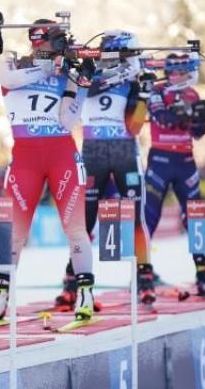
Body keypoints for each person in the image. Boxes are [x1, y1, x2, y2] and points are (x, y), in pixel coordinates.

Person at [0, 19, 97, 323]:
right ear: (39, 41)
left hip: (61, 153)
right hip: (26, 156)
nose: (61, 47)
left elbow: (67, 121)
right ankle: (1, 293)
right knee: (14, 231)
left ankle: (85, 292)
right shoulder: (15, 63)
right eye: (56, 41)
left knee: (75, 228)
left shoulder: (66, 72)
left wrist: (80, 83)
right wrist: (47, 68)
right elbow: (5, 77)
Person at [54, 30, 157, 309]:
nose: (129, 61)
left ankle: (145, 279)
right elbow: (86, 86)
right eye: (127, 55)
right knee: (83, 222)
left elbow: (134, 127)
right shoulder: (90, 71)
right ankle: (72, 281)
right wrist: (120, 74)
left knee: (137, 218)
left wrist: (144, 94)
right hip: (93, 151)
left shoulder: (131, 80)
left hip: (124, 150)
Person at [143, 53, 205, 296]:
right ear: (173, 72)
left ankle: (202, 273)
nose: (185, 76)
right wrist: (181, 113)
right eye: (182, 72)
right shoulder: (157, 90)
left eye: (187, 72)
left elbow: (196, 133)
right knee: (150, 217)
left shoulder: (192, 94)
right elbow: (161, 119)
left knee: (195, 218)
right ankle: (142, 273)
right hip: (160, 161)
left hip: (185, 161)